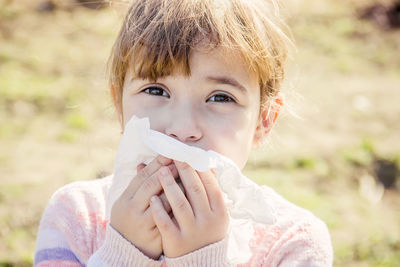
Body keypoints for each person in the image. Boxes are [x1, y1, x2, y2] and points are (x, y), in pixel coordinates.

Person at [34, 0, 333, 266]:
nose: (182, 129)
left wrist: (201, 259)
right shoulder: (75, 217)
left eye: (220, 97)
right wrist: (124, 254)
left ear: (263, 121)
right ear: (119, 106)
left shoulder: (294, 242)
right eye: (155, 90)